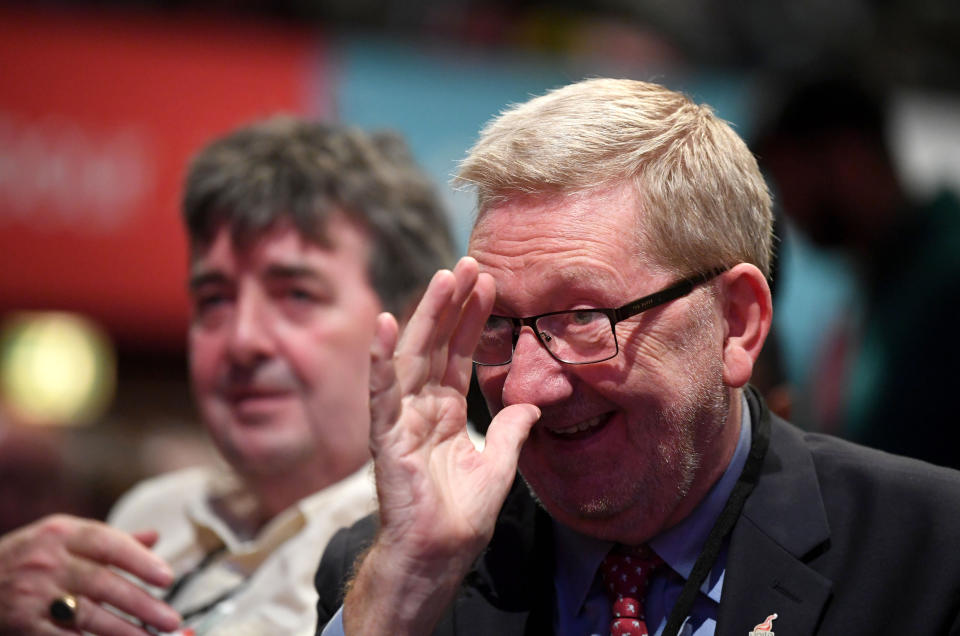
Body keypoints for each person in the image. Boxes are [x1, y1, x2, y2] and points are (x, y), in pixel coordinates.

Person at [313, 78, 960, 636]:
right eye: (498, 326)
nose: (527, 388)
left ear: (736, 323)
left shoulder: (930, 551)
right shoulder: (394, 576)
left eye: (584, 318)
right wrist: (404, 589)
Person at [0, 116, 455, 635]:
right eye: (214, 298)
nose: (242, 340)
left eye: (296, 295)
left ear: (418, 321)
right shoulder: (153, 515)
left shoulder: (466, 531)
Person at [755, 75, 960, 468]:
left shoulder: (945, 281)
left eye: (790, 180)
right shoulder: (876, 287)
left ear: (847, 158)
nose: (790, 210)